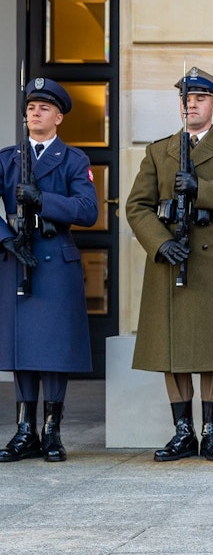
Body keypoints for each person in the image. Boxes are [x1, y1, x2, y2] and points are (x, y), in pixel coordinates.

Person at [126, 67, 213, 462]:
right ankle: (182, 432)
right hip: (172, 256)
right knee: (174, 345)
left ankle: (210, 432)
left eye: (200, 98)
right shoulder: (159, 150)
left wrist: (202, 189)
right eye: (187, 98)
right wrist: (160, 242)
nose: (192, 104)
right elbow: (137, 206)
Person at [0, 78, 98, 462]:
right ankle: (24, 430)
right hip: (18, 257)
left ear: (58, 117)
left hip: (55, 258)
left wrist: (44, 200)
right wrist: (6, 238)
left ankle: (51, 430)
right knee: (22, 348)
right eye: (30, 108)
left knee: (53, 349)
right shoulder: (8, 158)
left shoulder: (74, 160)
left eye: (43, 108)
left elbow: (88, 210)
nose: (34, 113)